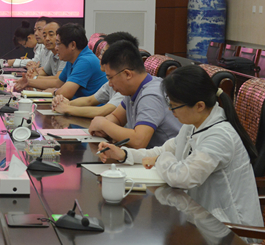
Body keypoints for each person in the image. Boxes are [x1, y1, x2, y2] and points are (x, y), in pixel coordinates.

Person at [97, 65, 263, 227]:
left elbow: (183, 177)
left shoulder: (219, 137)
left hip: (232, 230)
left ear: (199, 106)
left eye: (174, 106)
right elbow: (164, 150)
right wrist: (124, 154)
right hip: (203, 219)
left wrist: (160, 159)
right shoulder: (193, 124)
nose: (171, 111)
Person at [89, 40, 181, 148]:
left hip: (167, 157)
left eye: (110, 78)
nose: (110, 84)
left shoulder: (151, 95)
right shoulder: (134, 89)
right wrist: (103, 128)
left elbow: (139, 141)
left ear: (127, 74)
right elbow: (117, 118)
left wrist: (103, 124)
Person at [52, 32, 138, 118]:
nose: (99, 57)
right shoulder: (113, 81)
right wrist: (65, 103)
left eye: (103, 54)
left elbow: (102, 111)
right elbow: (89, 100)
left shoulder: (126, 86)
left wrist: (67, 108)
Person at [50, 23, 107, 100]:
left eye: (58, 44)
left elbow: (65, 93)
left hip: (91, 107)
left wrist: (53, 92)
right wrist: (32, 82)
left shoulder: (86, 61)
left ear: (73, 45)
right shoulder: (72, 59)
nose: (56, 48)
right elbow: (58, 83)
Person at [14, 20, 65, 91]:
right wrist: (31, 73)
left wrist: (34, 78)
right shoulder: (52, 55)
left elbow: (58, 80)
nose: (47, 39)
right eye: (44, 36)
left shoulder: (65, 55)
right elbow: (44, 71)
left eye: (51, 35)